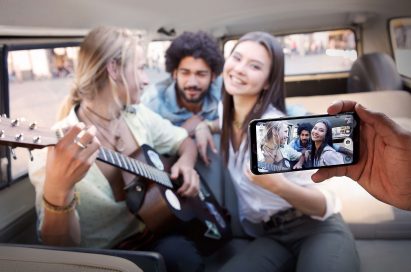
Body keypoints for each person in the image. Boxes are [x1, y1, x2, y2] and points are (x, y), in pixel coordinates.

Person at [28, 26, 204, 272]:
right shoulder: (54, 147)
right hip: (105, 262)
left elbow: (184, 141)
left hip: (155, 234)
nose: (145, 80)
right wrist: (59, 189)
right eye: (140, 68)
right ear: (113, 69)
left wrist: (186, 164)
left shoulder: (137, 115)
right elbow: (61, 246)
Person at [196, 31, 359, 271]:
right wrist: (203, 126)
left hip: (315, 228)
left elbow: (324, 205)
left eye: (254, 66)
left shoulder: (275, 129)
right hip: (269, 235)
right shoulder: (226, 112)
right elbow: (222, 123)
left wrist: (275, 185)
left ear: (268, 82)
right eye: (237, 58)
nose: (239, 69)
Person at [312, 100, 411, 211]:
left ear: (326, 135)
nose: (315, 131)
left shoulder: (328, 154)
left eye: (321, 130)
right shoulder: (316, 151)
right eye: (315, 128)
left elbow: (341, 159)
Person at [143, 31, 224, 161]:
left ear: (213, 76)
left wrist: (207, 125)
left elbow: (245, 120)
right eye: (185, 73)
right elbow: (145, 153)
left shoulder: (225, 91)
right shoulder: (153, 102)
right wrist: (182, 133)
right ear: (174, 73)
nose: (192, 82)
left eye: (201, 74)